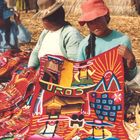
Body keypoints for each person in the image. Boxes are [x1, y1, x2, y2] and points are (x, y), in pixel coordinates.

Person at [77, 0, 137, 81]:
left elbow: (130, 77)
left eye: (98, 19)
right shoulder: (84, 44)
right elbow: (80, 76)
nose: (95, 25)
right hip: (92, 91)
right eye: (90, 22)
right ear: (87, 24)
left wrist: (131, 61)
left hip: (116, 91)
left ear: (106, 17)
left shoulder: (122, 40)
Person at [28, 0, 83, 69]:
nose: (41, 22)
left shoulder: (71, 34)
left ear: (49, 21)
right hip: (41, 72)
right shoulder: (46, 32)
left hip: (62, 75)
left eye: (43, 19)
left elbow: (74, 62)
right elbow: (36, 51)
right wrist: (31, 67)